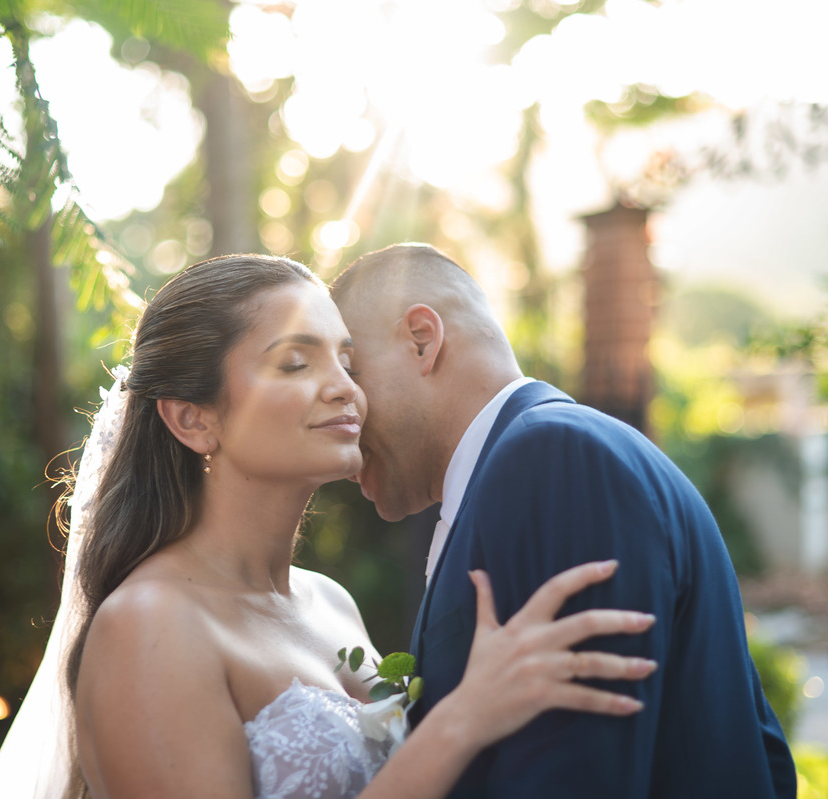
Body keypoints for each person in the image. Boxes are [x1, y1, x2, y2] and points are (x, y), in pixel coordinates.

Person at [0, 254, 659, 799]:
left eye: (346, 359)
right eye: (296, 362)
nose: (345, 387)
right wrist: (461, 720)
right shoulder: (150, 623)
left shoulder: (332, 602)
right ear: (194, 418)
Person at [330, 243, 797, 798]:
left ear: (422, 341)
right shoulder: (532, 463)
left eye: (350, 372)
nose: (341, 409)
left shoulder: (552, 459)